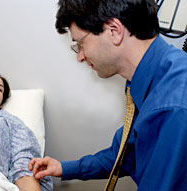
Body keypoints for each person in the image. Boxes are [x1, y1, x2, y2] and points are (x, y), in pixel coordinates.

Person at [29, 0, 187, 190]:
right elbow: (126, 155)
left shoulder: (173, 107)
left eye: (80, 44)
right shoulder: (149, 80)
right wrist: (64, 168)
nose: (80, 56)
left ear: (114, 31)